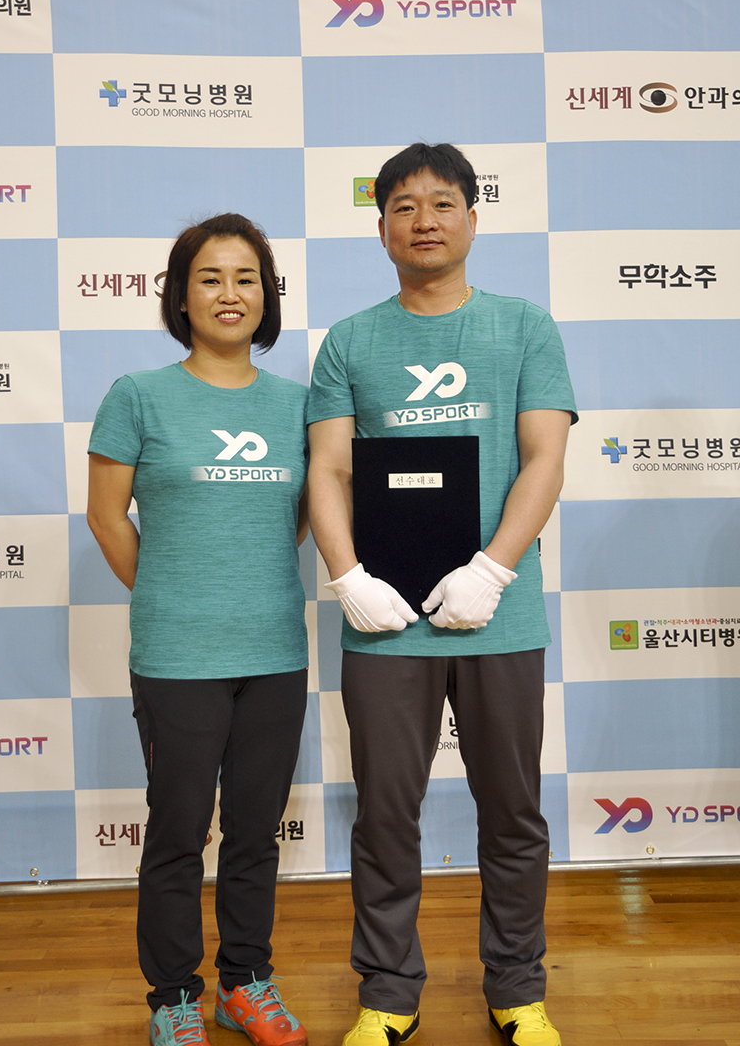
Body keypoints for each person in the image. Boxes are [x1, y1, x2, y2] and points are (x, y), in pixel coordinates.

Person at [306, 144, 577, 1046]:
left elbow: (544, 457)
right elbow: (329, 469)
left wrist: (492, 569)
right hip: (387, 624)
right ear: (381, 226)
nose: (424, 219)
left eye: (443, 202)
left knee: (514, 813)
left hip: (503, 618)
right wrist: (348, 577)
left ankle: (518, 988)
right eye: (404, 206)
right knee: (386, 815)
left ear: (472, 217)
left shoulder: (524, 326)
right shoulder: (350, 341)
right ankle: (388, 993)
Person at [87, 213, 310, 1046]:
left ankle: (245, 982)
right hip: (177, 654)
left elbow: (296, 519)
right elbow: (106, 517)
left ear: (267, 296)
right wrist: (173, 590)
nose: (229, 293)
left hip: (274, 651)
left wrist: (242, 581)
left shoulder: (298, 405)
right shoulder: (138, 396)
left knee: (255, 832)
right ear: (181, 297)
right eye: (210, 278)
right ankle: (174, 995)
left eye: (246, 278)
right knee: (178, 832)